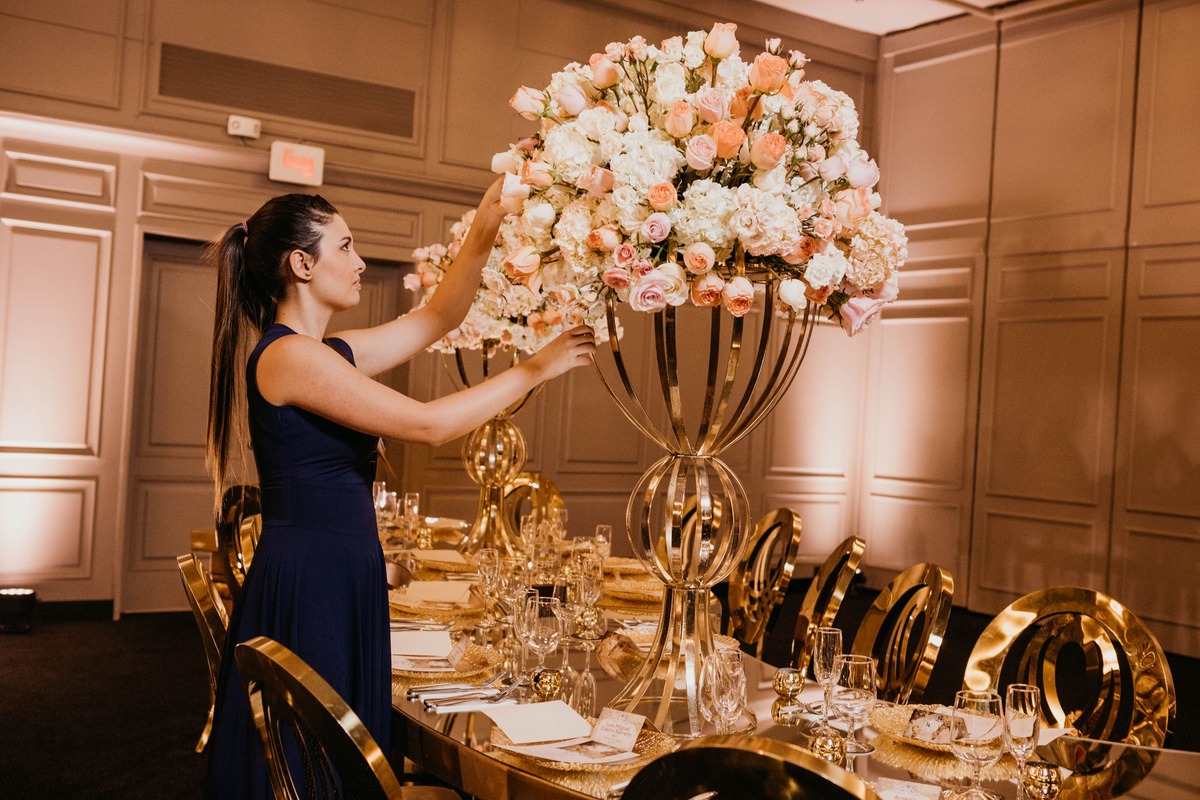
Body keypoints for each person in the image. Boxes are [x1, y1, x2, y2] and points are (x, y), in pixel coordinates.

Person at [202, 176, 594, 799]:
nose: (360, 262)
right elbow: (428, 425)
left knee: (340, 759)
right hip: (313, 582)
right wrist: (534, 368)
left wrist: (487, 222)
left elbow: (439, 316)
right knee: (320, 763)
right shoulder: (289, 357)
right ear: (302, 264)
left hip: (339, 571)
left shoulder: (325, 352)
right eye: (345, 247)